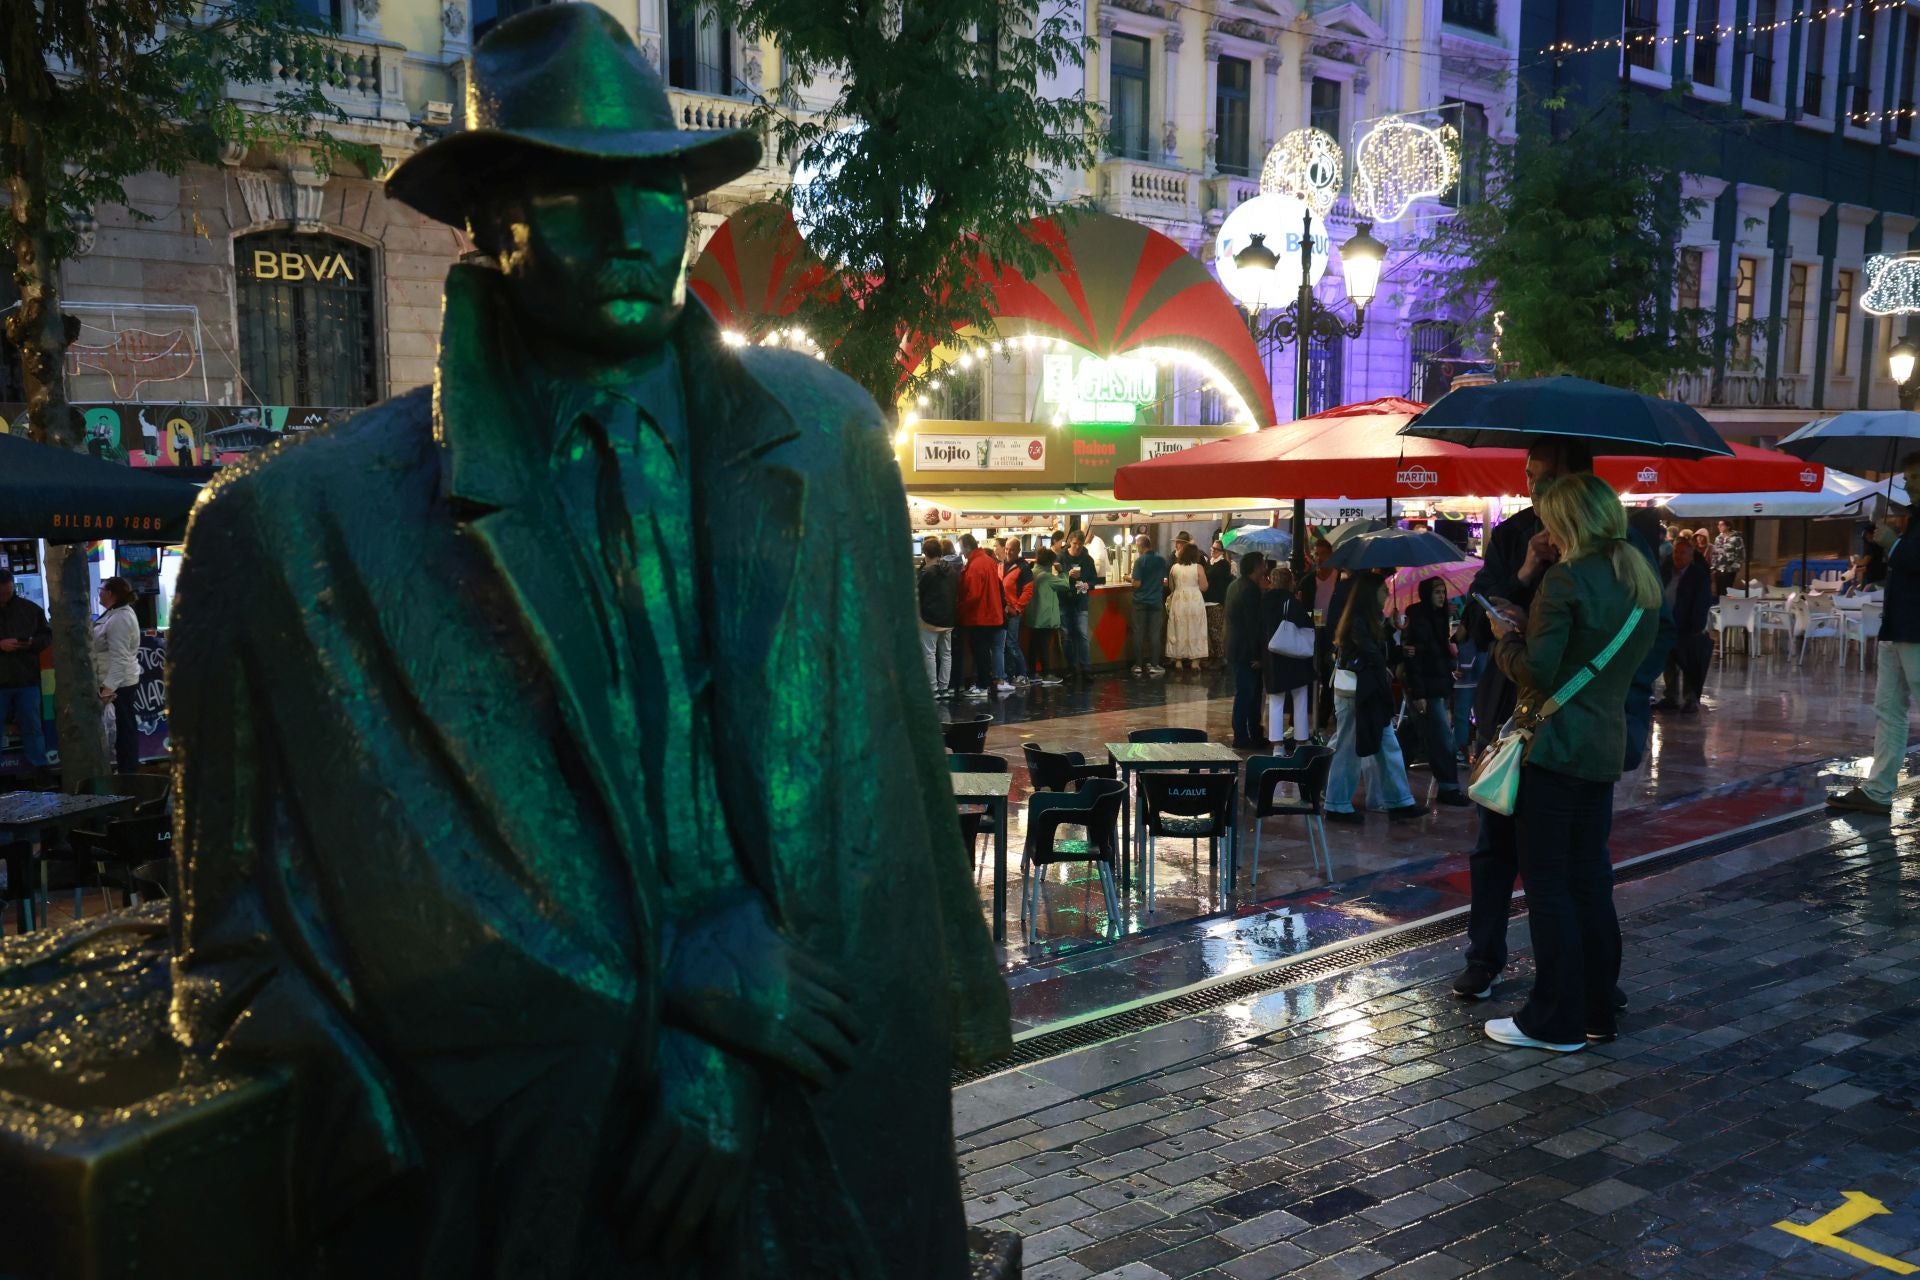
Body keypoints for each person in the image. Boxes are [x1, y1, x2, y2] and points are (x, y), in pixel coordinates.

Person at [165, 10, 1010, 1272]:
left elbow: (877, 805)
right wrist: (658, 998)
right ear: (489, 217)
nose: (630, 231)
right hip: (542, 1205)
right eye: (572, 191)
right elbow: (230, 963)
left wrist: (769, 1044)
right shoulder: (294, 532)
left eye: (658, 190)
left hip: (841, 1166)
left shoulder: (833, 443)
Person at [1456, 438, 1674, 1001]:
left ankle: (1571, 997)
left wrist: (1608, 688)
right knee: (1502, 845)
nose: (1532, 486)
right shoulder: (1515, 538)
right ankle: (1496, 959)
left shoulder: (1617, 551)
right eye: (1528, 474)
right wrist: (1526, 572)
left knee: (1563, 870)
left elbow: (1650, 634)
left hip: (1567, 721)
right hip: (1520, 714)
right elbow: (1479, 620)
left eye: (1543, 477)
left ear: (1577, 483)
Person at [1830, 456, 1920, 815]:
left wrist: (1895, 544)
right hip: (1896, 625)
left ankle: (1880, 789)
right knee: (1888, 710)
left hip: (1916, 629)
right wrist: (1877, 548)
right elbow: (1898, 565)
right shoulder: (1911, 519)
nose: (1909, 483)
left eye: (1916, 476)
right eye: (1907, 477)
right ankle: (1879, 789)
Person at [1324, 572, 1425, 824]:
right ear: (1370, 595)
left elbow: (1381, 651)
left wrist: (1389, 628)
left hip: (1368, 691)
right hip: (1356, 693)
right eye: (1383, 591)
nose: (1387, 595)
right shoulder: (1358, 622)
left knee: (1386, 743)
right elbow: (1370, 653)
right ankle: (1337, 804)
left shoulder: (1372, 620)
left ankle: (1400, 801)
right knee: (1349, 745)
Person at [1401, 576, 1470, 805]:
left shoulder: (1439, 617)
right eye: (1437, 592)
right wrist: (1417, 693)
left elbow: (1440, 652)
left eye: (1443, 591)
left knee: (1414, 734)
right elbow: (1415, 660)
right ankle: (1449, 787)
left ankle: (1392, 776)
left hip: (1437, 686)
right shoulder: (1418, 617)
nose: (1442, 596)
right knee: (1441, 738)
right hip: (1426, 690)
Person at [0, 569, 51, 777]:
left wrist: (31, 643)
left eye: (8, 592)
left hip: (26, 678)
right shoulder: (30, 609)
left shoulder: (30, 610)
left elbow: (46, 636)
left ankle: (39, 770)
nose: (5, 596)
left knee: (32, 726)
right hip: (10, 679)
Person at [1654, 536, 1711, 714]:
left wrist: (1696, 625)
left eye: (1683, 553)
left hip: (1687, 626)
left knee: (1689, 663)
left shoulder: (1698, 575)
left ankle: (1690, 698)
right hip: (1667, 624)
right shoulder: (1666, 570)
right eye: (1676, 552)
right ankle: (1671, 696)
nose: (1678, 556)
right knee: (1669, 662)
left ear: (1690, 555)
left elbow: (1702, 601)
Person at [92, 575, 142, 776]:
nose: (99, 593)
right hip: (116, 683)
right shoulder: (114, 614)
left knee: (124, 733)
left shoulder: (120, 619)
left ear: (110, 593)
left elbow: (120, 659)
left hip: (119, 686)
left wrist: (108, 689)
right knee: (122, 731)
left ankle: (128, 775)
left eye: (101, 589)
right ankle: (126, 773)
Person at [1263, 565, 1315, 750]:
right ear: (1289, 582)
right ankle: (1301, 740)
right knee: (1299, 697)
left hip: (1272, 657)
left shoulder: (1264, 601)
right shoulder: (1291, 602)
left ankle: (1277, 745)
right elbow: (1305, 624)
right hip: (1293, 658)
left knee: (1276, 701)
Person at [957, 532, 1011, 697]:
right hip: (992, 614)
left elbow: (973, 595)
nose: (961, 552)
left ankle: (982, 685)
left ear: (967, 546)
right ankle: (985, 683)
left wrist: (959, 608)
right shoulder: (988, 561)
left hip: (979, 616)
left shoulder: (974, 565)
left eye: (961, 548)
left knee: (980, 652)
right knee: (988, 651)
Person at [1224, 551, 1268, 746]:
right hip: (1246, 651)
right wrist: (1258, 655)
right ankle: (1243, 736)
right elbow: (1253, 625)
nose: (1265, 568)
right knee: (1248, 694)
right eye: (1262, 564)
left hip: (1235, 647)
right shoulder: (1250, 590)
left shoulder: (1235, 585)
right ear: (1256, 567)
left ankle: (1249, 733)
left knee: (1246, 693)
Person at [917, 537, 959, 698]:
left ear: (925, 553)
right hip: (948, 619)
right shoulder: (952, 571)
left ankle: (933, 688)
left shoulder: (927, 572)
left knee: (929, 653)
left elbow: (918, 593)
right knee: (946, 654)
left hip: (929, 620)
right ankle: (944, 687)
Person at [1026, 549, 1072, 685]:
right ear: (1051, 562)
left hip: (1032, 616)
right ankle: (1046, 674)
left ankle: (1032, 673)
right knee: (1044, 646)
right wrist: (1062, 571)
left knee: (1033, 646)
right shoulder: (1046, 576)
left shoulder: (1032, 573)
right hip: (1045, 617)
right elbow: (1065, 584)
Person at [1061, 530, 1102, 678]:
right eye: (1075, 544)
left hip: (1081, 602)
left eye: (1080, 544)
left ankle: (1086, 669)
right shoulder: (1061, 558)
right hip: (1064, 601)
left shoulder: (1088, 559)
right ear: (1070, 543)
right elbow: (1056, 578)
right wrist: (1067, 576)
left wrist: (1086, 584)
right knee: (1067, 636)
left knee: (1083, 635)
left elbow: (1093, 580)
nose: (1077, 547)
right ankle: (1071, 667)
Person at [1129, 533, 1169, 677]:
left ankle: (1138, 665)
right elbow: (1164, 581)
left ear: (1140, 545)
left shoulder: (1140, 561)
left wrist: (1129, 579)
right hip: (1156, 601)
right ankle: (1155, 664)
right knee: (1155, 634)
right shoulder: (1161, 560)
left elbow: (1137, 583)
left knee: (1139, 633)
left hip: (1140, 602)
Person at [1165, 542, 1210, 670]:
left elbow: (1171, 586)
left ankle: (1178, 660)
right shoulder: (1198, 567)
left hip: (1178, 600)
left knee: (1178, 628)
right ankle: (1195, 661)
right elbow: (1204, 586)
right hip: (1194, 600)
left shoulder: (1174, 567)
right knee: (1196, 628)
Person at [999, 537, 1033, 688]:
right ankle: (1010, 675)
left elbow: (1028, 591)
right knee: (1006, 645)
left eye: (1011, 549)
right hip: (1002, 610)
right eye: (1006, 548)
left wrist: (1017, 608)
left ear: (1018, 550)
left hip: (1013, 613)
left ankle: (1023, 674)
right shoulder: (1000, 565)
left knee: (1011, 644)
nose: (1008, 551)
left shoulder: (1024, 568)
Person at [1710, 519, 1745, 595]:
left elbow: (1741, 553)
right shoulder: (1718, 538)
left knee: (1727, 589)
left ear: (1728, 526)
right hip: (1718, 569)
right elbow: (1714, 553)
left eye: (1721, 525)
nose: (1719, 527)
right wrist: (1713, 567)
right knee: (1718, 589)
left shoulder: (1736, 538)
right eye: (1718, 525)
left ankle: (1726, 604)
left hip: (1730, 569)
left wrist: (1736, 566)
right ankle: (1719, 604)